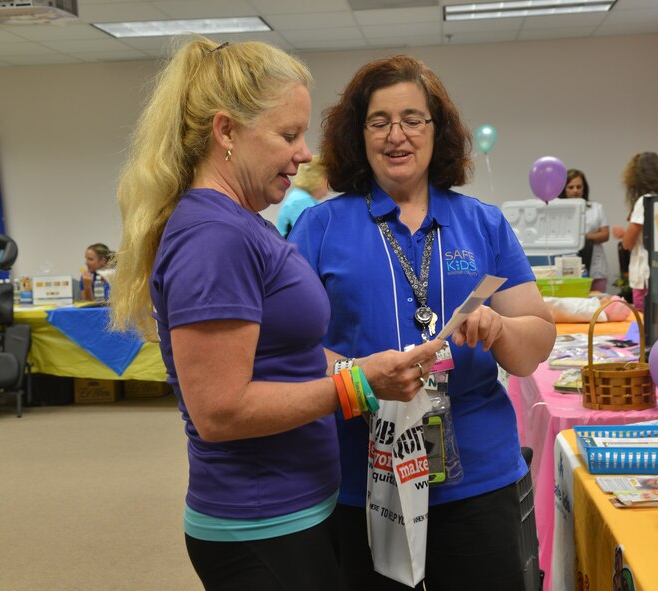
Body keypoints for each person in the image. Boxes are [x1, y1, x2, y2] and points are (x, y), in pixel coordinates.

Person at [108, 39, 443, 591]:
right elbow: (220, 409)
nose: (306, 153)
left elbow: (286, 355)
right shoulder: (213, 238)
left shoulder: (240, 222)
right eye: (288, 135)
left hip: (289, 511)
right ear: (226, 132)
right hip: (259, 523)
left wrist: (365, 368)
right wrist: (359, 386)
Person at [289, 55, 555, 590]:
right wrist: (359, 374)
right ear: (358, 135)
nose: (397, 135)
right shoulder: (320, 227)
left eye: (413, 119)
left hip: (477, 476)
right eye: (379, 121)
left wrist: (501, 330)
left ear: (438, 130)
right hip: (361, 479)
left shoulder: (483, 223)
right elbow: (289, 351)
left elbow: (536, 342)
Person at [612, 152, 658, 312]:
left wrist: (624, 235)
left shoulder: (644, 201)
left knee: (645, 320)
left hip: (644, 271)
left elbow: (628, 243)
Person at [558, 169, 610, 292]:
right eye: (571, 187)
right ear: (564, 189)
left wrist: (583, 236)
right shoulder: (558, 210)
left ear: (584, 188)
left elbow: (605, 234)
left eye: (578, 186)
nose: (575, 190)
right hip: (568, 263)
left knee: (597, 303)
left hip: (595, 265)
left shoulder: (596, 208)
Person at [276, 155, 329, 238]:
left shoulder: (301, 197)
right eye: (326, 180)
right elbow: (310, 236)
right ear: (317, 178)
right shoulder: (301, 201)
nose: (328, 187)